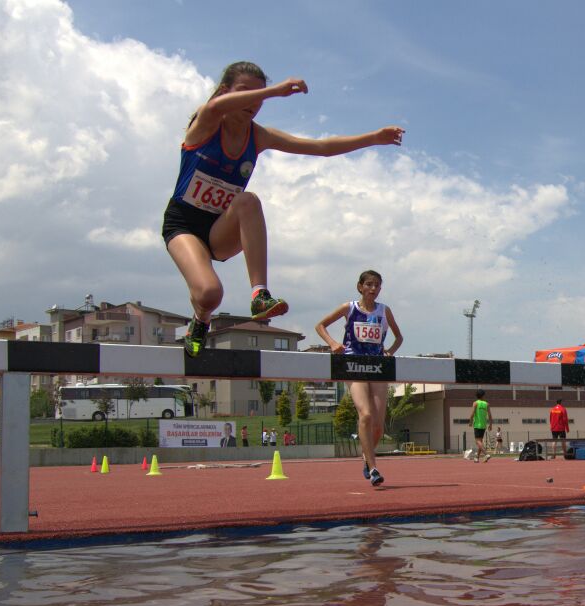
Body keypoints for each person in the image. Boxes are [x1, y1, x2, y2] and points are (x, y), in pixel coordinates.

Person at [164, 61, 405, 357]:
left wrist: (373, 138)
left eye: (259, 97)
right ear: (225, 92)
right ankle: (200, 320)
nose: (253, 102)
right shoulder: (206, 122)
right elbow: (215, 107)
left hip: (220, 228)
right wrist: (274, 90)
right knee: (210, 294)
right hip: (184, 225)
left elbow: (321, 147)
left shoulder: (259, 136)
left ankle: (259, 294)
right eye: (246, 93)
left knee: (248, 201)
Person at [315, 269, 404, 486]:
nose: (373, 289)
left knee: (378, 426)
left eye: (377, 285)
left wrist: (389, 351)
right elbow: (320, 325)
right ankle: (373, 468)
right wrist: (333, 343)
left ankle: (366, 457)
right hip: (353, 364)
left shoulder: (385, 311)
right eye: (370, 284)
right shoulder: (350, 308)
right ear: (360, 287)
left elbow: (399, 337)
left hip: (378, 367)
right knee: (365, 415)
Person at [470, 390, 491, 463]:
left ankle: (486, 454)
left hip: (477, 425)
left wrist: (470, 421)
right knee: (480, 441)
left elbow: (472, 413)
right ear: (483, 396)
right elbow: (490, 415)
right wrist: (490, 424)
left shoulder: (475, 403)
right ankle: (477, 457)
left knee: (477, 441)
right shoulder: (486, 404)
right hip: (484, 425)